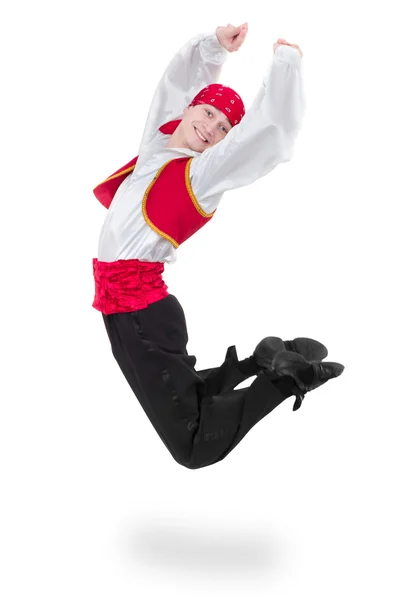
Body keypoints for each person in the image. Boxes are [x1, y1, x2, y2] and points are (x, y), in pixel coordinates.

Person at [92, 23, 344, 470]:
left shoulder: (199, 175)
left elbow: (264, 137)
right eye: (209, 114)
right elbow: (174, 87)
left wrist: (284, 67)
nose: (213, 128)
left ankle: (287, 379)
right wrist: (212, 47)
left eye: (225, 128)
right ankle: (259, 360)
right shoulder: (157, 147)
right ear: (193, 108)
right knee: (191, 399)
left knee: (194, 447)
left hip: (142, 316)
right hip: (125, 313)